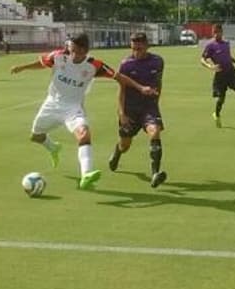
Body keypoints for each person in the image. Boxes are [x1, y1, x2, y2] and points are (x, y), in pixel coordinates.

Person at [10, 33, 157, 190]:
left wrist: (141, 88)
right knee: (36, 136)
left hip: (73, 107)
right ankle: (54, 148)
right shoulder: (58, 56)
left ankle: (86, 174)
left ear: (85, 51)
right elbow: (42, 63)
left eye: (77, 51)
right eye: (71, 49)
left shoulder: (94, 65)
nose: (73, 54)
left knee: (84, 134)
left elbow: (120, 78)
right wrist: (22, 67)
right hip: (52, 104)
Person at [107, 32, 167, 188]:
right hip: (130, 109)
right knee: (125, 145)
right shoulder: (126, 64)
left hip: (149, 107)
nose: (136, 52)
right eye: (134, 48)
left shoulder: (158, 61)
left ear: (146, 46)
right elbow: (122, 90)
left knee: (155, 132)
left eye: (139, 48)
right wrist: (121, 113)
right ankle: (118, 151)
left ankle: (155, 173)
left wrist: (156, 102)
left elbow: (158, 83)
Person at [201, 23, 235, 130]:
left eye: (218, 32)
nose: (216, 34)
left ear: (221, 32)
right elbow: (202, 59)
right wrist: (210, 66)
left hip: (231, 73)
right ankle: (216, 114)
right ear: (212, 32)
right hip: (220, 74)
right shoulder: (210, 45)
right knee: (221, 99)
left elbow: (229, 57)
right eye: (214, 32)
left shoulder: (226, 43)